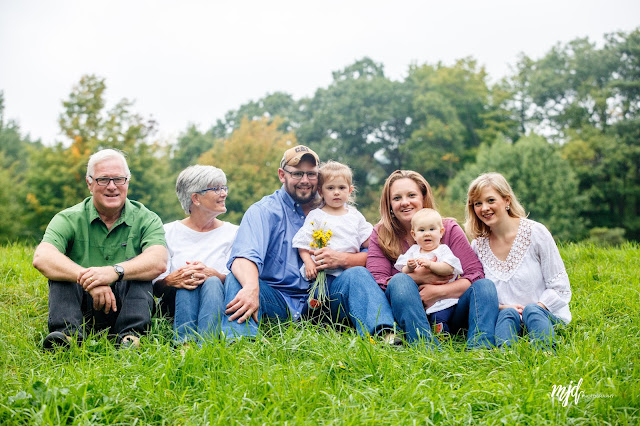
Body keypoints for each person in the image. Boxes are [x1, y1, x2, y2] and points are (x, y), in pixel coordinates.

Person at [222, 145, 396, 341]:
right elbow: (243, 256)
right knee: (238, 280)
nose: (305, 180)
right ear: (282, 175)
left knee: (358, 273)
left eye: (311, 174)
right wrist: (252, 288)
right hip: (279, 301)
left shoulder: (341, 212)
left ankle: (383, 335)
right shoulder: (263, 211)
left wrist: (344, 259)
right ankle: (241, 341)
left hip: (328, 299)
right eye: (297, 174)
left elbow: (373, 252)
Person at [33, 149, 167, 350]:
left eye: (119, 179)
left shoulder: (147, 219)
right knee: (60, 272)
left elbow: (158, 261)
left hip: (128, 303)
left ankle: (131, 338)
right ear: (89, 183)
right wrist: (89, 279)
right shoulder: (67, 218)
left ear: (127, 182)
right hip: (82, 304)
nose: (112, 187)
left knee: (141, 270)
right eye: (103, 179)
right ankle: (67, 337)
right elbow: (42, 257)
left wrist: (113, 273)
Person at [366, 170, 498, 349]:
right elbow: (377, 283)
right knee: (399, 281)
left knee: (485, 287)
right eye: (397, 198)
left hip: (449, 308)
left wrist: (438, 292)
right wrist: (418, 279)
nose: (405, 202)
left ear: (423, 197)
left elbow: (474, 275)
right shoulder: (381, 233)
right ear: (389, 204)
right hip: (408, 309)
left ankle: (480, 348)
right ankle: (425, 345)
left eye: (411, 195)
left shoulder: (448, 227)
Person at [465, 172, 572, 349]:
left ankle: (545, 352)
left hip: (543, 315)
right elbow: (481, 296)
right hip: (506, 320)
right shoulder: (478, 246)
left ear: (507, 200)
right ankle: (507, 358)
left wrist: (537, 307)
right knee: (508, 315)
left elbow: (560, 286)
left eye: (490, 200)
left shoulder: (536, 232)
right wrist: (504, 308)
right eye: (478, 203)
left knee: (532, 311)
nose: (484, 208)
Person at [153, 165, 239, 343]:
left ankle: (205, 342)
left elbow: (236, 280)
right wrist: (173, 279)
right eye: (216, 189)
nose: (224, 193)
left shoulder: (234, 233)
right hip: (176, 304)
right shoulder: (167, 232)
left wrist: (213, 275)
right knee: (187, 279)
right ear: (196, 198)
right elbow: (156, 286)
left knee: (212, 281)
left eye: (224, 188)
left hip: (218, 300)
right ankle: (186, 341)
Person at [292, 161, 373, 292]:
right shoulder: (316, 216)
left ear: (350, 190)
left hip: (350, 271)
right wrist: (308, 262)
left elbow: (369, 239)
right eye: (330, 188)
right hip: (324, 273)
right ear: (321, 191)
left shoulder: (354, 215)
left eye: (341, 188)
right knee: (319, 299)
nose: (336, 192)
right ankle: (313, 310)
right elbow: (303, 243)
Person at [394, 208, 463, 334]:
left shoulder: (442, 250)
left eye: (432, 229)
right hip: (421, 301)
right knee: (422, 319)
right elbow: (403, 273)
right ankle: (423, 335)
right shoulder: (413, 251)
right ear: (414, 235)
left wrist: (431, 265)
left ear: (441, 232)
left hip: (443, 300)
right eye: (422, 230)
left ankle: (443, 339)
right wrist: (409, 267)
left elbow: (449, 268)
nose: (427, 234)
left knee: (439, 318)